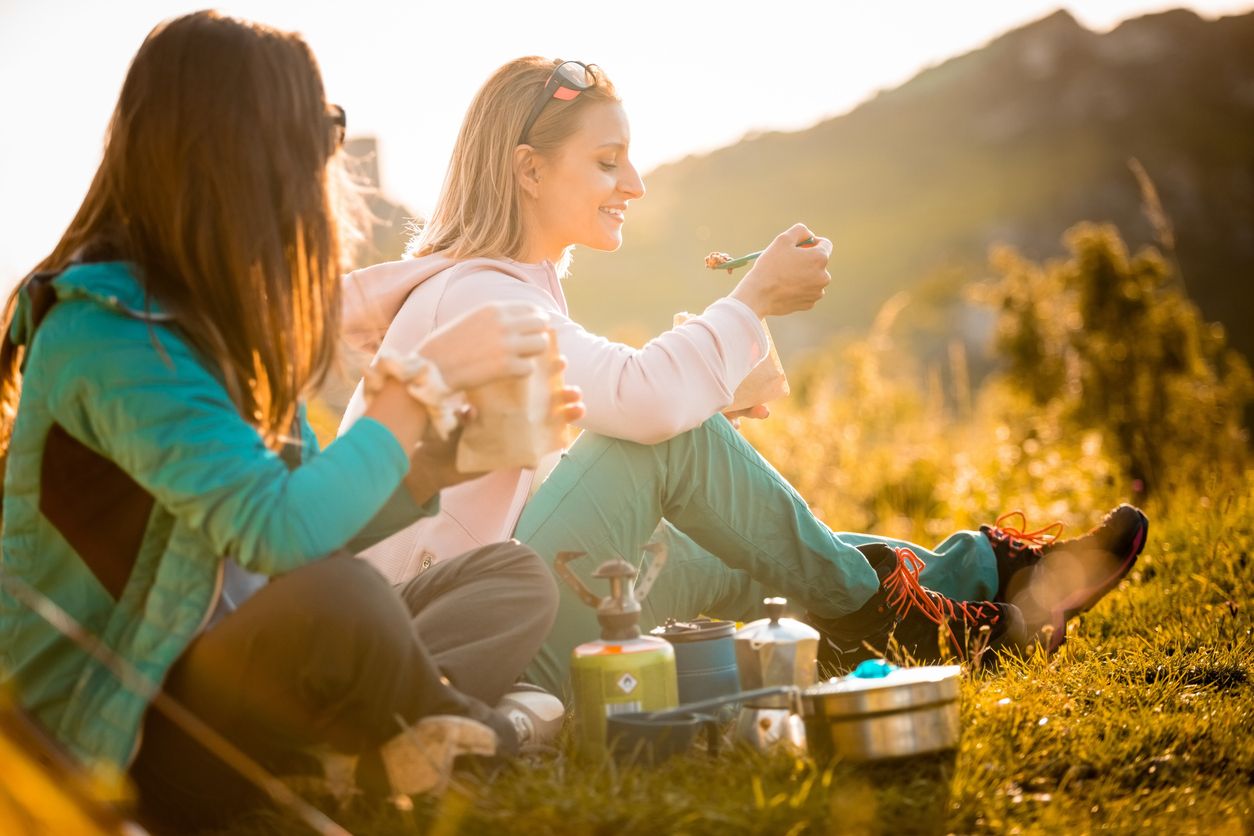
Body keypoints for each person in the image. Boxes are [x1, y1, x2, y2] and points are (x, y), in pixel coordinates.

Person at [339, 57, 1149, 697]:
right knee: (665, 442)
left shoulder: (495, 286)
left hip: (504, 611)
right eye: (608, 161)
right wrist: (749, 302)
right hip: (470, 648)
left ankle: (998, 582)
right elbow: (640, 407)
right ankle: (903, 621)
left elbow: (587, 412)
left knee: (745, 555)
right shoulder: (477, 291)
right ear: (529, 171)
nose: (635, 184)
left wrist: (717, 382)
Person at [0, 15, 583, 831]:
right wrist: (411, 390)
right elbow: (280, 535)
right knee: (342, 605)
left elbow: (311, 518)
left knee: (507, 576)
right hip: (123, 740)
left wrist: (437, 465)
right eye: (317, 129)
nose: (328, 162)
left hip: (239, 668)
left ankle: (380, 742)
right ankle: (475, 731)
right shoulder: (108, 336)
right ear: (237, 152)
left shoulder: (212, 323)